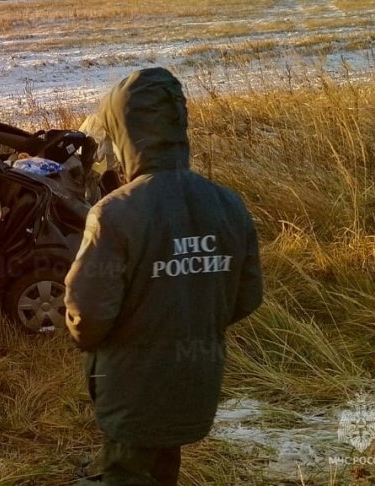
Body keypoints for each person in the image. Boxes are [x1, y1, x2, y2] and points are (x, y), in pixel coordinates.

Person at [63, 67, 264, 485]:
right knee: (163, 468)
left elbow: (87, 316)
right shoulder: (227, 204)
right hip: (193, 383)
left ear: (125, 132)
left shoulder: (115, 213)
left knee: (126, 472)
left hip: (131, 390)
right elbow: (247, 297)